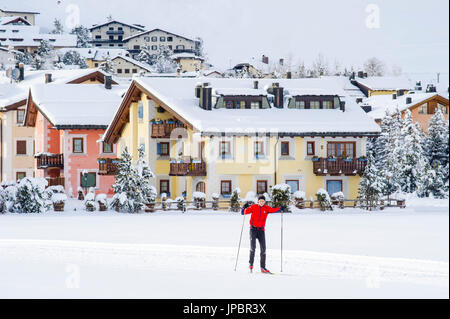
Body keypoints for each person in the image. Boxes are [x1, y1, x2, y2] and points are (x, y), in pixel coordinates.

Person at [241, 195, 282, 274]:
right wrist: (244, 207)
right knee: (253, 247)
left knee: (263, 249)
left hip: (261, 230)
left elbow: (274, 210)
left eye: (263, 201)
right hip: (253, 230)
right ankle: (251, 264)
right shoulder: (253, 207)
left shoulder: (266, 208)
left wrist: (280, 208)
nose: (261, 202)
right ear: (258, 201)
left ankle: (263, 267)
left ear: (264, 202)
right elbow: (243, 213)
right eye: (260, 201)